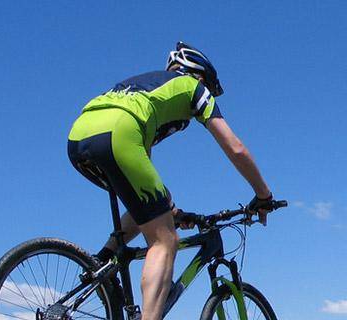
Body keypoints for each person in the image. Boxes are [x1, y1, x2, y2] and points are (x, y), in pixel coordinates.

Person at [66, 41, 274, 320]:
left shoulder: (146, 87)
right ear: (200, 76)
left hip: (80, 136)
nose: (210, 95)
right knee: (165, 241)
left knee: (150, 208)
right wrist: (263, 195)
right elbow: (235, 148)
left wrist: (171, 210)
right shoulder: (193, 87)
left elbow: (144, 172)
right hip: (119, 133)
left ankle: (101, 261)